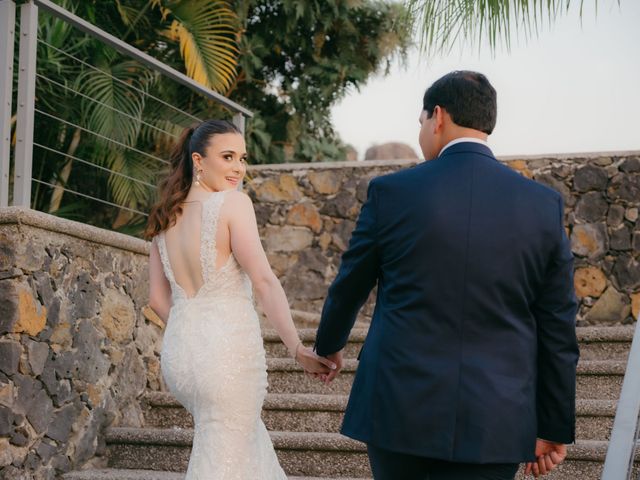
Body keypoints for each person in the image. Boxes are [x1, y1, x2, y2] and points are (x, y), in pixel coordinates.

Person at [314, 71, 579, 480]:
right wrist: (553, 424)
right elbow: (558, 327)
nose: (421, 132)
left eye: (420, 122)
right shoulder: (542, 205)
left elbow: (350, 284)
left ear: (437, 116)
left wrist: (329, 344)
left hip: (398, 407)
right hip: (498, 417)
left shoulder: (391, 192)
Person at [145, 119, 336, 479]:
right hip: (225, 358)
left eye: (243, 158)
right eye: (228, 157)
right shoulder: (232, 204)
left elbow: (157, 299)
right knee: (225, 455)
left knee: (234, 448)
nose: (238, 168)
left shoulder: (164, 216)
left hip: (182, 358)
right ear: (199, 161)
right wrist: (296, 349)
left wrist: (193, 334)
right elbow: (263, 281)